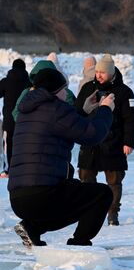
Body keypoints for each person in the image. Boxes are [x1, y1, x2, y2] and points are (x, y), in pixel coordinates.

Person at [8, 68, 115, 247]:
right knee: (101, 195)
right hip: (44, 193)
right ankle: (79, 243)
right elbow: (93, 135)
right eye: (64, 89)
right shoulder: (54, 109)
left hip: (19, 197)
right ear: (54, 91)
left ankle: (31, 228)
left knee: (68, 201)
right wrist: (105, 110)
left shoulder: (27, 111)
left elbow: (61, 127)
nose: (67, 93)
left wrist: (83, 111)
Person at [75, 54, 134, 226]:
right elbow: (77, 113)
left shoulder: (125, 92)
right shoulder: (88, 88)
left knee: (114, 181)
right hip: (90, 143)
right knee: (85, 179)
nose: (99, 75)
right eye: (97, 72)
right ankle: (90, 211)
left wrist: (129, 142)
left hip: (114, 144)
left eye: (103, 72)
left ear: (111, 73)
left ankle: (112, 213)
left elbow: (131, 120)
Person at [0, 59, 31, 177]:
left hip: (9, 121)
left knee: (9, 145)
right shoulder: (28, 83)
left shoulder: (6, 81)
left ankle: (9, 170)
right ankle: (23, 169)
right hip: (25, 120)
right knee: (24, 144)